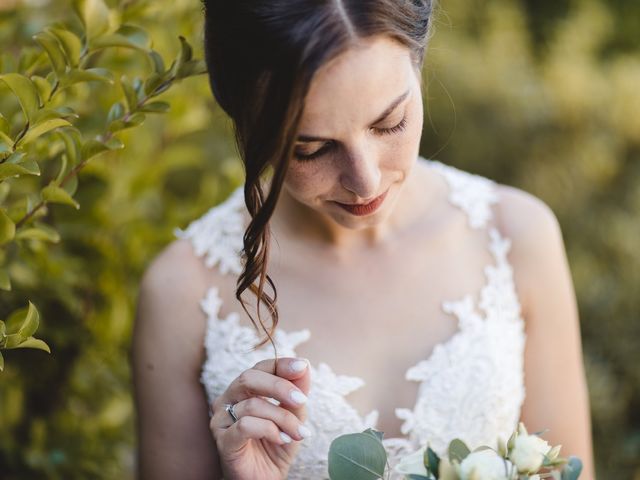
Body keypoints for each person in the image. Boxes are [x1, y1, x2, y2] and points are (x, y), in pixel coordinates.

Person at [132, 1, 596, 479]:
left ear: (418, 61)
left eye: (389, 123)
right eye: (311, 149)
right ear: (247, 122)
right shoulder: (182, 293)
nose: (365, 180)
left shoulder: (515, 236)